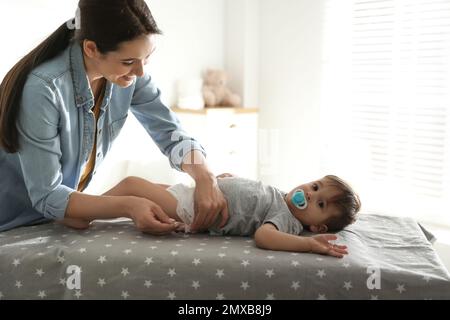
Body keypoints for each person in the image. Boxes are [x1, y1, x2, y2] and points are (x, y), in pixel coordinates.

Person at [0, 0, 229, 234]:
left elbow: (171, 134)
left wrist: (205, 176)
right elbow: (48, 196)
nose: (140, 72)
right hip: (13, 225)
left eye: (147, 57)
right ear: (91, 49)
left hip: (56, 219)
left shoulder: (128, 76)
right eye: (128, 62)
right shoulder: (44, 89)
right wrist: (128, 205)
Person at [71, 174, 361, 258]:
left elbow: (264, 236)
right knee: (142, 187)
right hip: (194, 192)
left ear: (316, 225)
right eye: (314, 186)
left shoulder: (287, 220)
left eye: (319, 203)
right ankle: (86, 207)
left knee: (132, 185)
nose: (309, 194)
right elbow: (252, 194)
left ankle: (82, 211)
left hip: (193, 207)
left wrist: (310, 244)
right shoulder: (282, 196)